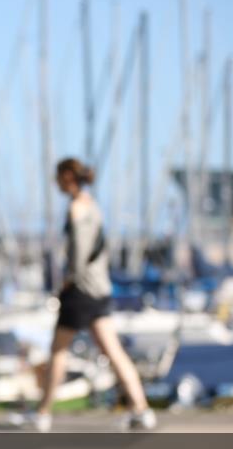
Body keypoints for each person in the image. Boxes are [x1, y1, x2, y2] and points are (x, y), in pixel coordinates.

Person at [14, 158, 156, 432]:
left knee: (58, 351)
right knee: (114, 351)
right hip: (100, 289)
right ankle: (142, 410)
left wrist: (68, 281)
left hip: (80, 291)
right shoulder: (93, 205)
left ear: (68, 176)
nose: (55, 183)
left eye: (57, 177)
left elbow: (78, 254)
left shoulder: (76, 208)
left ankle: (42, 415)